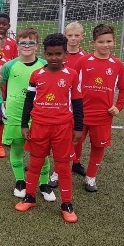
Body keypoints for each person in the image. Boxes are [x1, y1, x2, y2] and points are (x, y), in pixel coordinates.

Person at [16, 33, 83, 223]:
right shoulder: (36, 75)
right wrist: (24, 124)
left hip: (63, 128)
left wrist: (78, 127)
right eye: (50, 54)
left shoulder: (72, 75)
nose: (54, 58)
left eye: (58, 54)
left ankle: (67, 204)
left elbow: (77, 103)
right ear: (44, 54)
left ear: (65, 54)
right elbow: (28, 101)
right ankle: (30, 197)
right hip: (39, 126)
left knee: (63, 166)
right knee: (35, 162)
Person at [0, 29, 55, 200]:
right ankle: (20, 181)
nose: (27, 46)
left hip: (39, 114)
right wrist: (0, 104)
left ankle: (44, 184)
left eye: (31, 43)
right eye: (23, 43)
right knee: (17, 148)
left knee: (41, 151)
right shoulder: (9, 66)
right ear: (17, 45)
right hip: (15, 114)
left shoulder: (45, 65)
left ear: (37, 46)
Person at [71, 24, 124, 192]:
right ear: (93, 43)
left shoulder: (117, 64)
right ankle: (59, 173)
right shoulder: (83, 61)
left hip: (103, 116)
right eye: (101, 42)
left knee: (98, 146)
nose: (105, 45)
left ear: (114, 42)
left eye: (109, 41)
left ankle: (91, 178)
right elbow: (71, 83)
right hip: (81, 114)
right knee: (72, 143)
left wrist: (118, 106)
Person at [48, 21, 87, 187]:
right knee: (59, 138)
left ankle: (76, 162)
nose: (73, 38)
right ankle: (54, 167)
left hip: (76, 103)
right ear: (65, 36)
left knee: (77, 135)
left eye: (76, 35)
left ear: (82, 37)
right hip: (59, 103)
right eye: (70, 35)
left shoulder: (85, 57)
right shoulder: (58, 54)